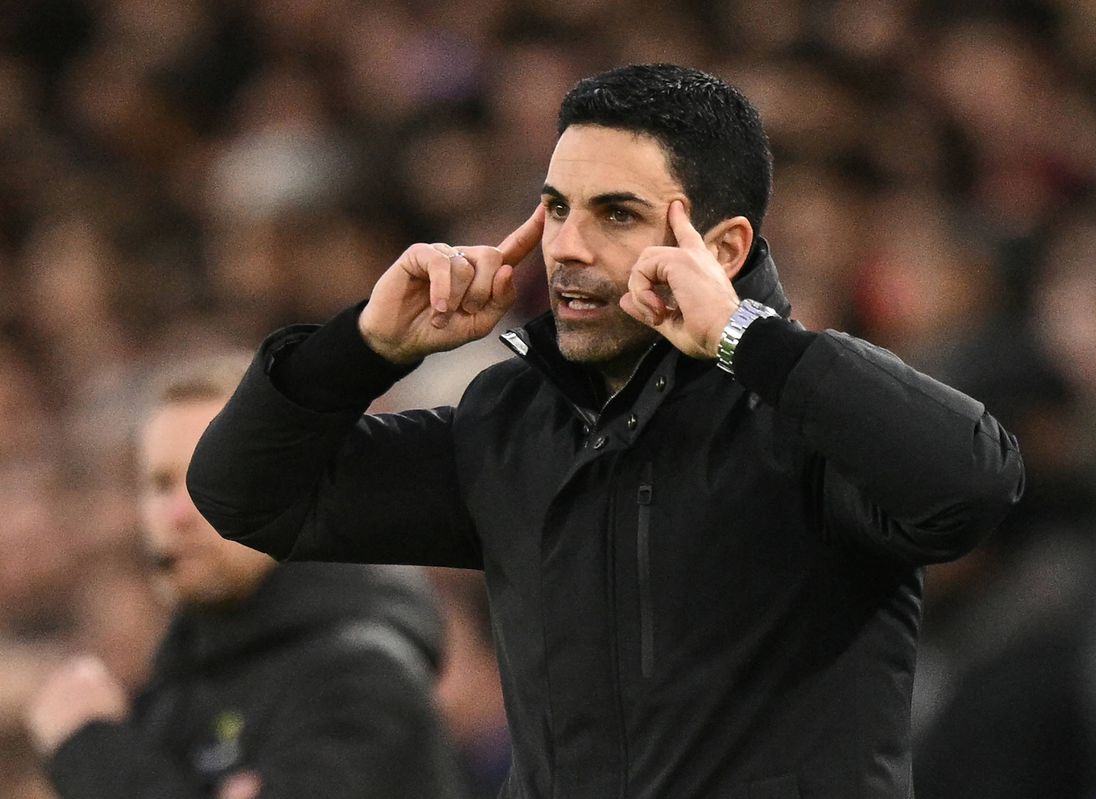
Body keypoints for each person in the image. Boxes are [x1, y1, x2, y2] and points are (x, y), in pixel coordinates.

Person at [187, 64, 1025, 798]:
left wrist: (749, 340)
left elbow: (972, 484)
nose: (566, 247)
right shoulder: (508, 425)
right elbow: (246, 496)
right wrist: (362, 349)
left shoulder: (804, 416)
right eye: (557, 207)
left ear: (724, 247)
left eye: (615, 215)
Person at [25, 354, 465, 799]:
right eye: (160, 484)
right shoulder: (170, 693)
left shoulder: (362, 676)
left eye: (212, 477)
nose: (177, 514)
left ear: (297, 486)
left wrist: (97, 758)